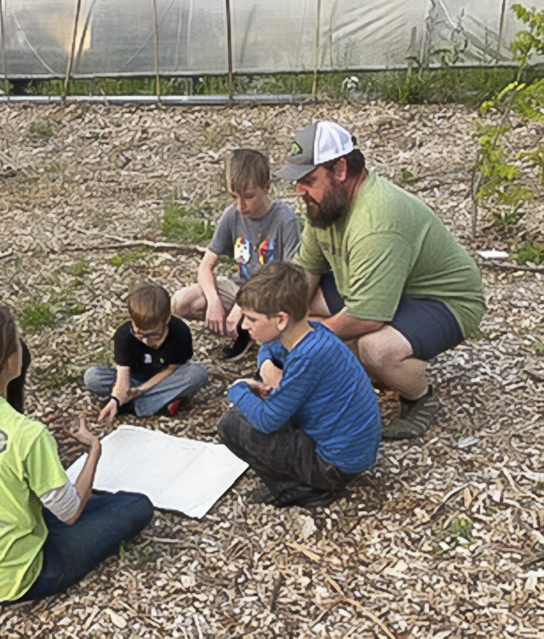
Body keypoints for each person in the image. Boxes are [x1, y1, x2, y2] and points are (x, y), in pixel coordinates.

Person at [0, 305, 154, 602]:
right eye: (17, 341)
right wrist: (94, 449)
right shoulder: (27, 434)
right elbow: (69, 514)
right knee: (136, 505)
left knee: (61, 502)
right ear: (8, 363)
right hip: (10, 577)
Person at [275, 121, 486, 439]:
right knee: (303, 309)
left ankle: (419, 400)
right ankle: (354, 365)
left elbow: (367, 314)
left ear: (341, 169)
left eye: (308, 180)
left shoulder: (376, 219)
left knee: (375, 349)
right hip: (380, 285)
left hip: (443, 300)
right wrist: (285, 324)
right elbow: (306, 271)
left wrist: (304, 342)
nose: (299, 191)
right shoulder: (324, 205)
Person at [218, 263, 381, 508]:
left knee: (231, 425)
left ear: (281, 319)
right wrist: (266, 368)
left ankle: (303, 489)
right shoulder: (313, 331)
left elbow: (267, 420)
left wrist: (239, 388)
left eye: (251, 319)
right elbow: (269, 347)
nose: (243, 326)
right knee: (260, 394)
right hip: (351, 453)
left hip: (334, 466)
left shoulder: (308, 357)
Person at [172, 149, 300, 360]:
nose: (240, 206)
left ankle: (252, 332)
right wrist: (213, 301)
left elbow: (289, 279)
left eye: (249, 197)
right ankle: (245, 330)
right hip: (239, 287)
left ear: (266, 187)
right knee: (181, 302)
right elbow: (205, 266)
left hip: (271, 295)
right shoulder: (231, 215)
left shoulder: (284, 219)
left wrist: (243, 306)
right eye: (233, 196)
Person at [84, 282, 208, 423]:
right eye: (139, 335)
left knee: (197, 374)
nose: (146, 341)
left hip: (164, 379)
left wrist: (142, 389)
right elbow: (123, 375)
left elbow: (172, 368)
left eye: (154, 335)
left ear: (166, 320)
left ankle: (135, 406)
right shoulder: (125, 335)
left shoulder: (180, 332)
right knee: (92, 377)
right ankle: (158, 402)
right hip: (133, 379)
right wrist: (116, 399)